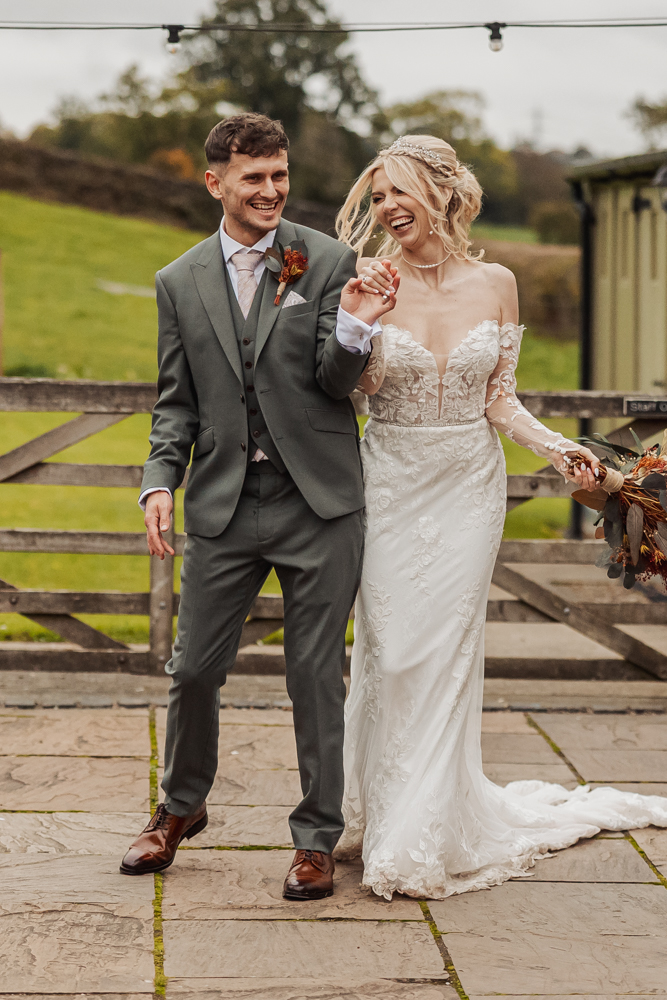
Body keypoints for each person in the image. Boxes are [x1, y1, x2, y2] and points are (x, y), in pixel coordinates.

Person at [335, 134, 667, 899]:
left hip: (466, 485)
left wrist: (561, 451)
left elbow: (497, 398)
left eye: (400, 191)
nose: (386, 207)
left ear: (443, 193)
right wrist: (369, 318)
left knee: (447, 653)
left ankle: (419, 831)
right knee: (389, 652)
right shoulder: (365, 279)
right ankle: (369, 809)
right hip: (389, 478)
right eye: (378, 194)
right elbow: (357, 390)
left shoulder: (497, 282)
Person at [119, 113, 397, 900]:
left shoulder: (327, 257)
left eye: (280, 175)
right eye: (255, 178)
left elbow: (337, 382)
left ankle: (314, 837)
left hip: (318, 502)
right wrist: (158, 481)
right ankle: (179, 808)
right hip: (224, 506)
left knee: (315, 674)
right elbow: (174, 401)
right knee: (193, 669)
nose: (272, 190)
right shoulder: (178, 281)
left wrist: (353, 329)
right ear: (216, 183)